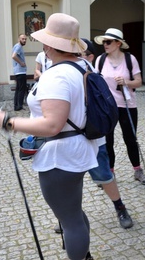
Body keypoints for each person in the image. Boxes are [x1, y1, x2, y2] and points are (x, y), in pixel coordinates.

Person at [0, 13, 98, 260]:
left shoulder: (56, 74)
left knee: (69, 218)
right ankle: (84, 255)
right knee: (72, 211)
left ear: (50, 45)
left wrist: (11, 122)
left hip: (60, 154)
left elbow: (52, 124)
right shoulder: (84, 65)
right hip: (79, 146)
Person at [52, 38, 133, 232]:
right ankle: (68, 217)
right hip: (68, 138)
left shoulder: (84, 69)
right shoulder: (57, 70)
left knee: (104, 176)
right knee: (69, 181)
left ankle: (120, 208)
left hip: (92, 136)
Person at [94, 29, 145, 185]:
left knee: (130, 139)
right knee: (107, 140)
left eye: (108, 41)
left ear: (118, 43)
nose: (105, 44)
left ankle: (138, 170)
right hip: (107, 107)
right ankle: (109, 173)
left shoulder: (130, 59)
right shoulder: (100, 60)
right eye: (104, 42)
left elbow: (138, 81)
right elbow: (96, 81)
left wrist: (126, 82)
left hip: (127, 105)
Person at [12, 33, 27, 111]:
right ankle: (19, 106)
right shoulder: (18, 46)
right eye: (22, 39)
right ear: (19, 39)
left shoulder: (16, 46)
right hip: (20, 71)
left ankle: (16, 106)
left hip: (17, 71)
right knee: (22, 89)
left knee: (18, 89)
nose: (24, 40)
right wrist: (21, 63)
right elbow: (13, 56)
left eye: (25, 39)